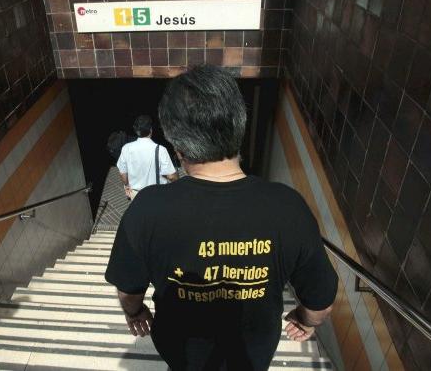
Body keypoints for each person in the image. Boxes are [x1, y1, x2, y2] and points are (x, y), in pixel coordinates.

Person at [105, 65, 338, 370]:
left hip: (183, 353)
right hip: (251, 356)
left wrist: (135, 313)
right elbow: (320, 301)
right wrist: (306, 321)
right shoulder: (288, 207)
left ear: (176, 144)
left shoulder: (147, 209)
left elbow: (129, 289)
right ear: (239, 127)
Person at [117, 115, 178, 200]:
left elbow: (122, 173)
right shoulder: (160, 149)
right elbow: (171, 176)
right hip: (157, 194)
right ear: (151, 130)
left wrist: (126, 185)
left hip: (136, 194)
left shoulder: (126, 148)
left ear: (136, 131)